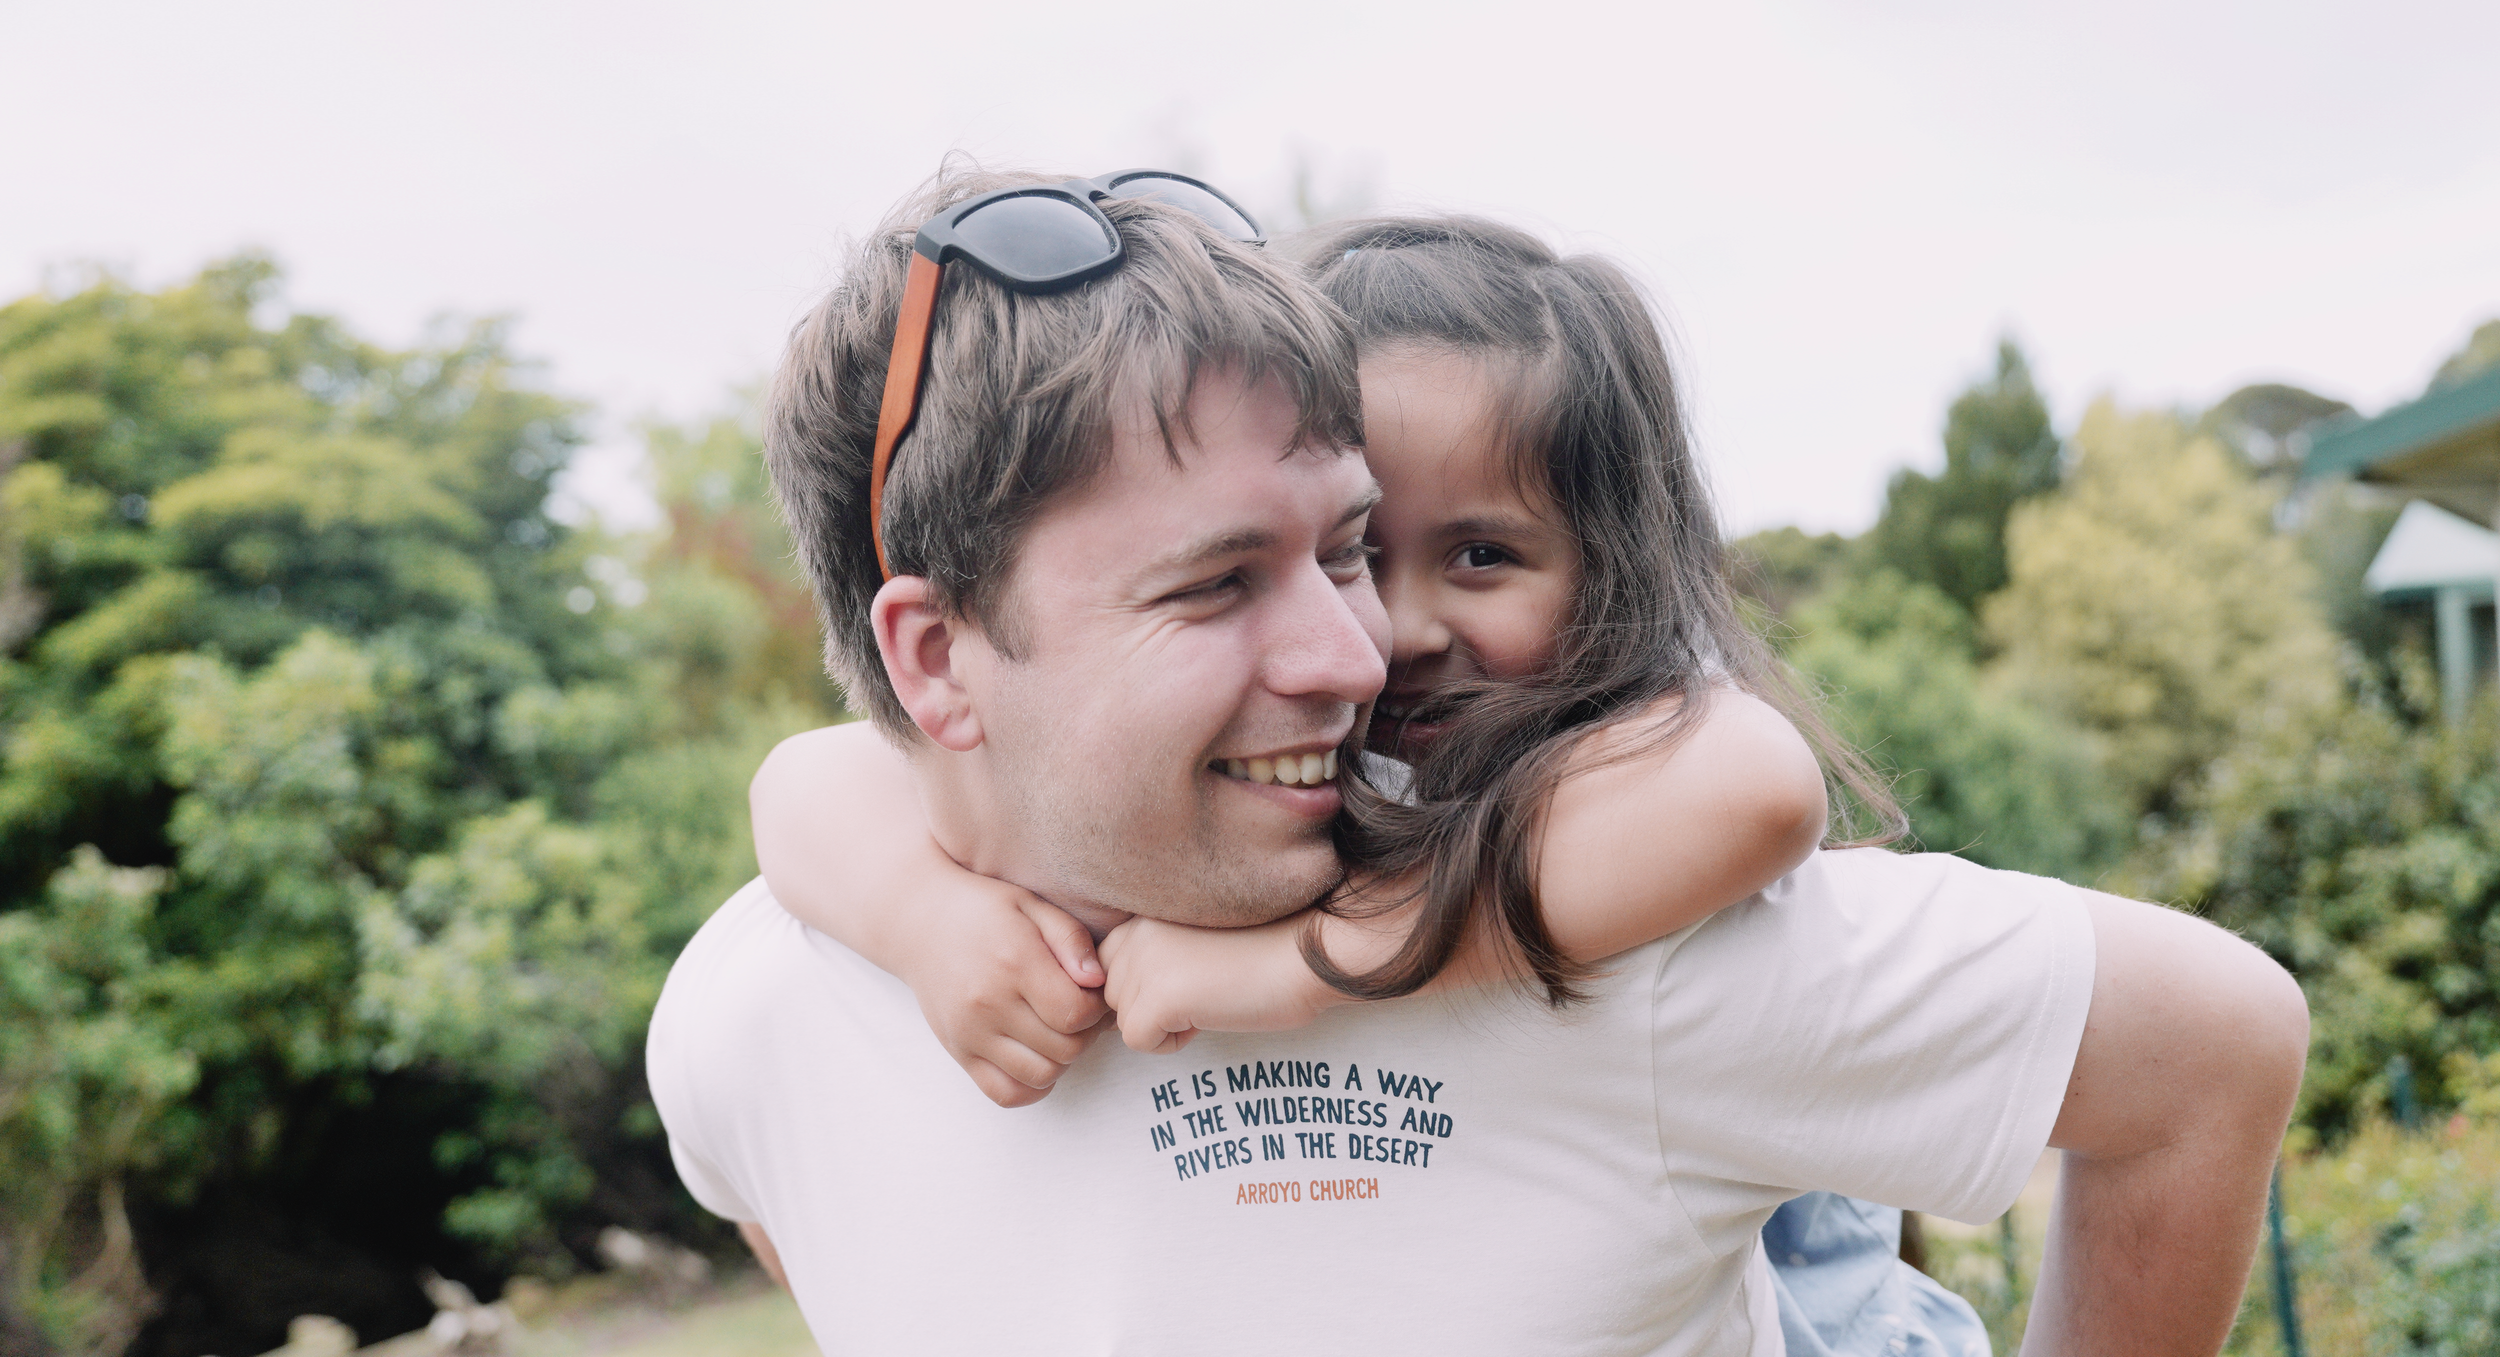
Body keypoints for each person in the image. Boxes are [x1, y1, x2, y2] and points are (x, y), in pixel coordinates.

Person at [647, 163, 2310, 1355]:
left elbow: (2212, 1044)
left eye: (1351, 547)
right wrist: (927, 920)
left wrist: (1322, 963)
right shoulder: (749, 1012)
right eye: (1220, 581)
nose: (1367, 650)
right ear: (935, 658)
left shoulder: (1612, 939)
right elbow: (818, 791)